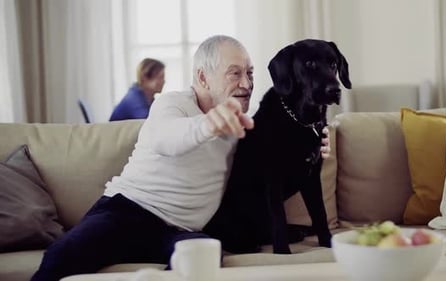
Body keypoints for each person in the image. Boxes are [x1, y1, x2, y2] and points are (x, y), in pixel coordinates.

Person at [31, 35, 331, 281]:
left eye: (250, 73)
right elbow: (167, 139)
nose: (247, 83)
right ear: (203, 77)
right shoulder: (171, 105)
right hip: (126, 211)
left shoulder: (242, 123)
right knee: (63, 255)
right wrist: (209, 124)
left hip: (181, 231)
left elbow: (274, 163)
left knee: (206, 256)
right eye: (235, 73)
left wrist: (312, 147)